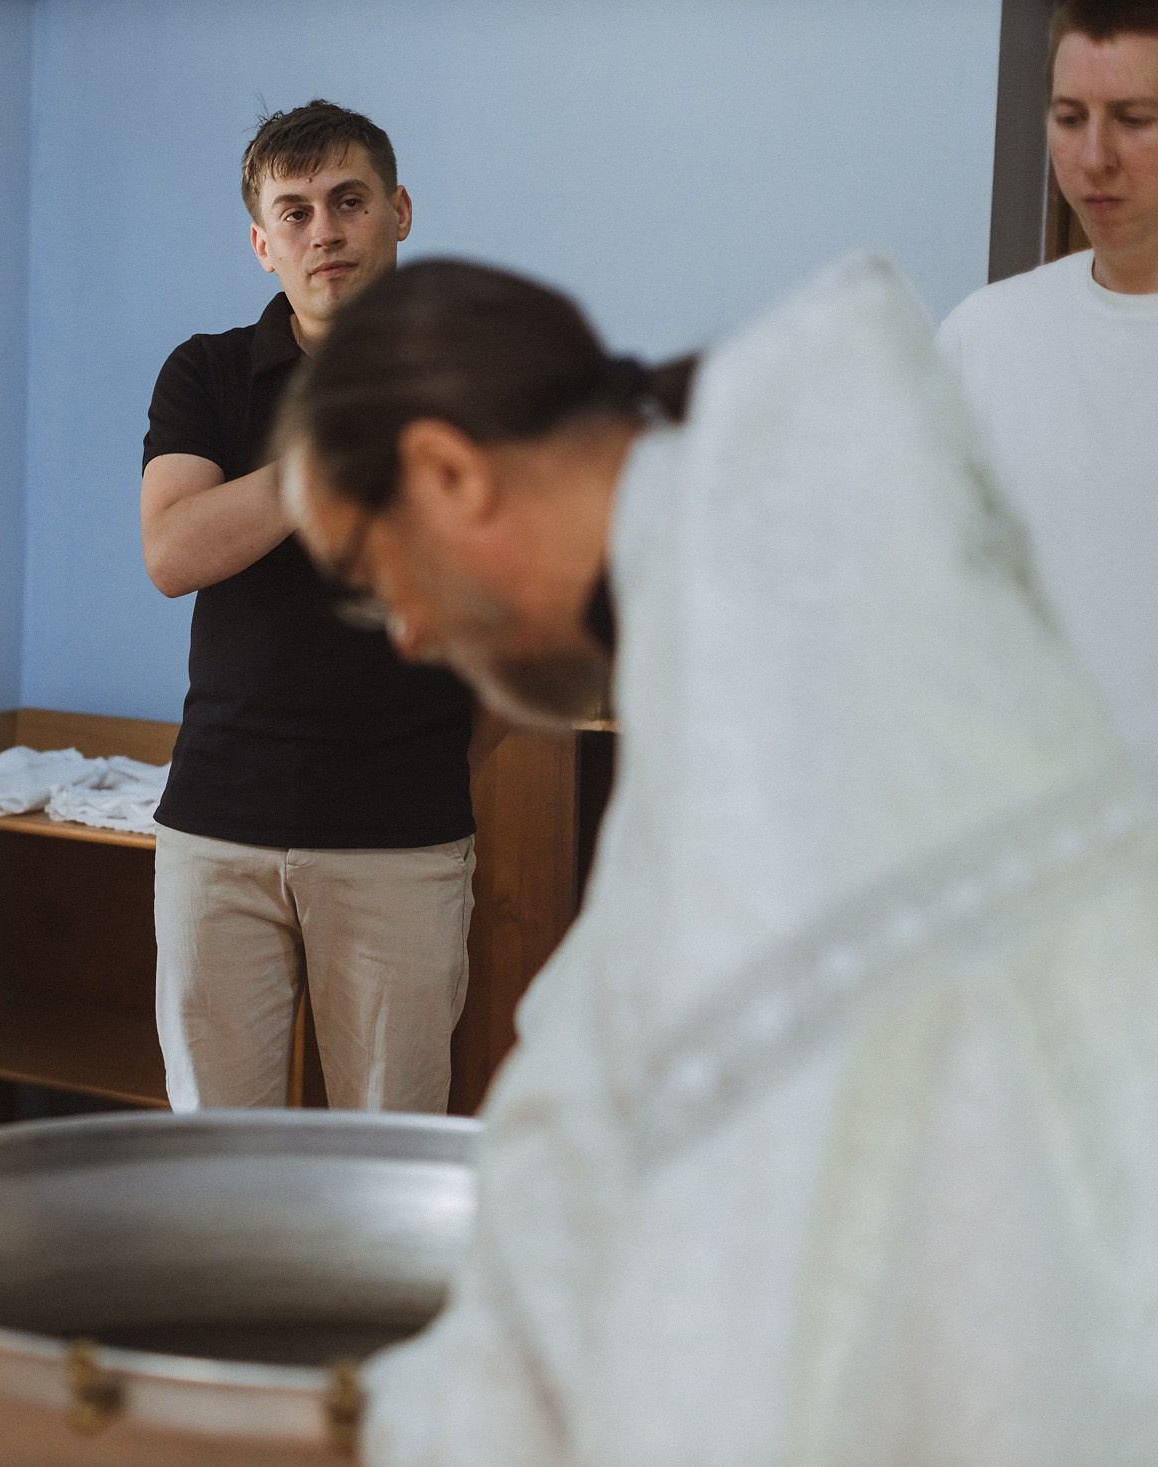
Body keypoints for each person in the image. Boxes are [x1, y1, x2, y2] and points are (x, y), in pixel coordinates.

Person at [279, 252, 1158, 1464]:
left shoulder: (768, 622)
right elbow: (619, 1045)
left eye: (378, 583)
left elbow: (741, 1205)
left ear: (446, 472)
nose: (413, 636)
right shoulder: (756, 563)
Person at [138, 100, 486, 1115]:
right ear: (262, 243)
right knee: (215, 1161)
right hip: (216, 832)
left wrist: (431, 763)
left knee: (385, 1166)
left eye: (348, 201)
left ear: (398, 212)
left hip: (402, 839)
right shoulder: (205, 373)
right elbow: (171, 552)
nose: (323, 231)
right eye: (294, 212)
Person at [938, 0, 1158, 788]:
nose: (1094, 157)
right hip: (1033, 858)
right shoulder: (982, 340)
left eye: (1134, 119)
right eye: (1070, 117)